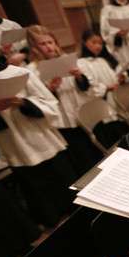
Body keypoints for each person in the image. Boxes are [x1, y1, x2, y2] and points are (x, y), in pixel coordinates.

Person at [0, 39, 75, 228]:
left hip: (43, 140)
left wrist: (23, 103)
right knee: (41, 198)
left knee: (66, 192)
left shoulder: (21, 73)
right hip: (14, 147)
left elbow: (50, 102)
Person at [26, 25, 102, 175]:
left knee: (98, 152)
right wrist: (51, 89)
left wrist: (80, 76)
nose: (48, 47)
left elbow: (89, 86)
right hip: (62, 122)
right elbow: (36, 101)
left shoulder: (68, 60)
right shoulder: (31, 70)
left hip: (83, 113)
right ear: (34, 47)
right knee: (82, 160)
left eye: (50, 42)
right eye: (43, 44)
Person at [77, 30, 129, 148]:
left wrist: (119, 79)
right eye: (94, 42)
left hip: (113, 101)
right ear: (84, 43)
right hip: (100, 104)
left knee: (125, 134)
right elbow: (89, 87)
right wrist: (106, 87)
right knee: (113, 141)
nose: (98, 46)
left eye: (100, 43)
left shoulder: (102, 60)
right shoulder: (81, 63)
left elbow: (112, 77)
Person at [0, 0, 27, 66]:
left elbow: (27, 44)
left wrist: (23, 55)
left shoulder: (11, 24)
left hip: (21, 63)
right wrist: (0, 51)